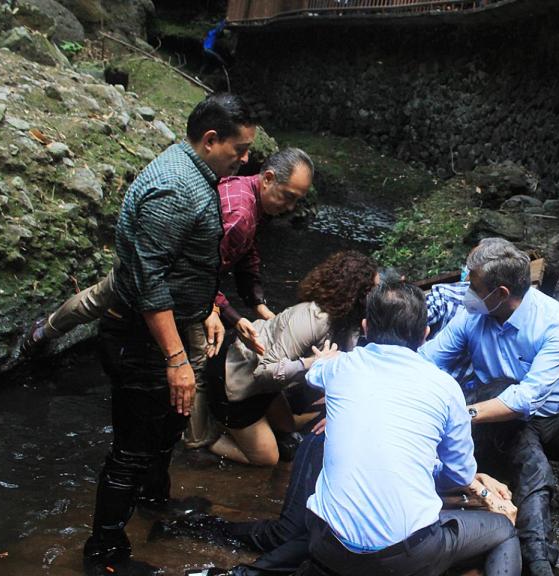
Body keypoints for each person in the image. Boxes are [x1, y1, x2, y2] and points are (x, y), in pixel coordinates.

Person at [20, 147, 314, 450]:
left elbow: (245, 253)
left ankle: (45, 330)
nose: (291, 206)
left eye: (297, 200)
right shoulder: (240, 213)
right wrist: (222, 310)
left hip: (154, 265)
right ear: (267, 178)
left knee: (99, 297)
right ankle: (198, 441)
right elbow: (201, 264)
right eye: (289, 196)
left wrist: (256, 302)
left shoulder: (250, 199)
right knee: (200, 357)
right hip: (175, 277)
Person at [82, 93, 256, 575]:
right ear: (210, 139)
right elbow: (148, 279)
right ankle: (104, 555)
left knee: (164, 431)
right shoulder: (176, 188)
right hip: (139, 339)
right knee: (132, 449)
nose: (245, 161)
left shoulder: (195, 174)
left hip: (167, 329)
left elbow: (185, 266)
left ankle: (155, 506)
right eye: (239, 150)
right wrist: (177, 360)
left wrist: (207, 309)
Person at [420, 238, 559, 576]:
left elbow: (529, 397)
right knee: (530, 456)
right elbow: (428, 360)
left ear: (499, 293)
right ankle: (539, 559)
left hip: (547, 416)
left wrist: (464, 415)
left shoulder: (557, 323)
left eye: (473, 285)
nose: (466, 291)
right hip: (495, 421)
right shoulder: (472, 316)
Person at [305, 281, 522, 576]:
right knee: (503, 530)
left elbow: (314, 373)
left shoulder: (340, 368)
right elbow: (458, 475)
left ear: (366, 328)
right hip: (405, 557)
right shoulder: (445, 388)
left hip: (326, 544)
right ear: (425, 335)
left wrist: (323, 360)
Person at [207, 251, 378, 466]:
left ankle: (244, 427)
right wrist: (312, 363)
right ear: (356, 294)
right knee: (268, 458)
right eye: (373, 290)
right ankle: (208, 437)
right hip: (235, 379)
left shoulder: (349, 322)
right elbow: (263, 372)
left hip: (266, 386)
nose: (377, 297)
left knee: (289, 429)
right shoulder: (311, 318)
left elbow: (348, 362)